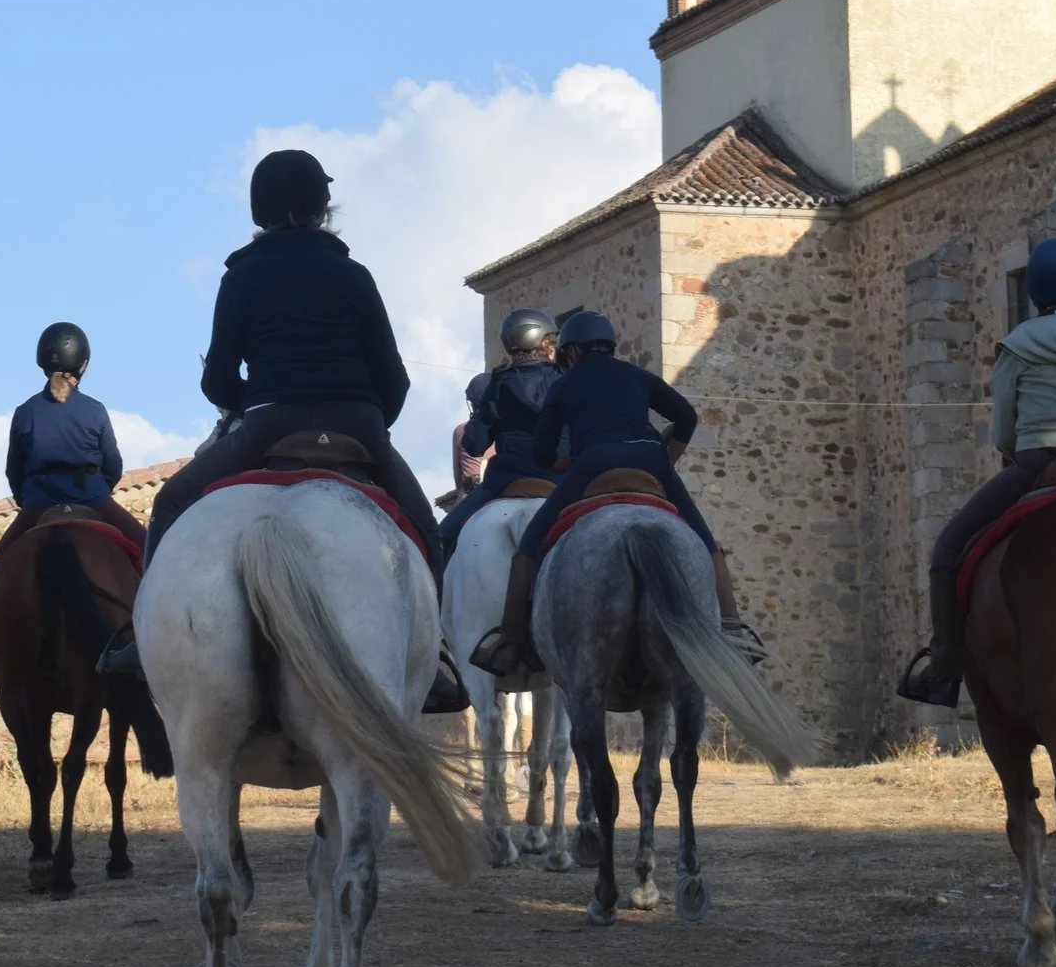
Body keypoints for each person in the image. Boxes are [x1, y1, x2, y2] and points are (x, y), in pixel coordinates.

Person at [99, 149, 468, 714]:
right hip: (358, 425)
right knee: (427, 529)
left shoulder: (242, 277)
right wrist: (367, 427)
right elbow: (393, 378)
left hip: (268, 422)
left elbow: (218, 379)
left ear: (259, 208)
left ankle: (138, 640)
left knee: (171, 502)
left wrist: (252, 405)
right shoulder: (354, 276)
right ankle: (436, 653)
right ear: (324, 207)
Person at [894, 238, 1056, 709]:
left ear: (1035, 291)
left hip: (1039, 458)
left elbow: (1003, 427)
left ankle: (945, 665)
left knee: (949, 547)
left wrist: (1021, 455)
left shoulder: (1016, 344)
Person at [466, 310, 766, 677]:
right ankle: (733, 629)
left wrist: (568, 465)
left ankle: (511, 641)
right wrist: (668, 459)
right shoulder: (638, 375)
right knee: (707, 544)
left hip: (593, 462)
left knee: (527, 548)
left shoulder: (565, 384)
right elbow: (686, 416)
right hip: (651, 460)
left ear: (572, 350)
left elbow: (542, 454)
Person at [0, 321, 148, 557]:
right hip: (91, 496)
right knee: (149, 547)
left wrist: (28, 499)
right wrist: (97, 490)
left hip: (39, 501)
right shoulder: (95, 409)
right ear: (83, 364)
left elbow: (14, 469)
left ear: (43, 363)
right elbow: (112, 464)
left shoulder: (25, 411)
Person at [434, 308, 563, 557]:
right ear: (544, 343)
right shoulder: (566, 380)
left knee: (443, 538)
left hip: (507, 480)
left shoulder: (498, 383)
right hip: (561, 480)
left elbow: (474, 444)